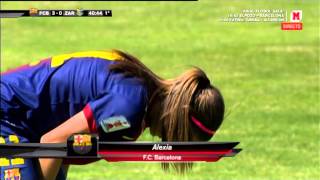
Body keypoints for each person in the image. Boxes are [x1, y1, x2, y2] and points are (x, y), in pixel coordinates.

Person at [0, 50, 225, 180]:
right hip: (8, 115)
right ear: (180, 116)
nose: (173, 142)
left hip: (27, 124)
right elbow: (54, 142)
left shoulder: (140, 92)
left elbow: (65, 143)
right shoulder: (129, 107)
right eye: (183, 138)